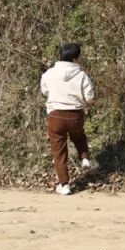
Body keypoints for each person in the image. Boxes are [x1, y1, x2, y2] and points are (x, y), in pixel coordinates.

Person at [40, 42, 95, 196]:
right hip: (76, 114)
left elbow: (44, 91)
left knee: (59, 151)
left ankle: (64, 185)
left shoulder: (49, 73)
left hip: (55, 115)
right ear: (76, 58)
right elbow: (90, 97)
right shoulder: (81, 75)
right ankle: (84, 157)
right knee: (79, 136)